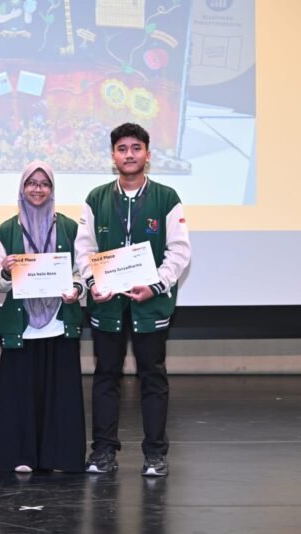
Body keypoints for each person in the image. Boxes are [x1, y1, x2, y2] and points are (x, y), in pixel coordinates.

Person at [74, 122, 191, 476]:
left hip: (148, 305)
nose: (129, 154)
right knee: (106, 376)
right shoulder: (95, 198)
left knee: (152, 377)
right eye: (122, 149)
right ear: (113, 156)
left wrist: (155, 286)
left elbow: (180, 251)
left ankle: (155, 453)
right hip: (107, 304)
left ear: (148, 155)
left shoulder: (166, 198)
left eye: (136, 148)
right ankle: (103, 451)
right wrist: (94, 282)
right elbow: (84, 249)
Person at [0, 160, 86, 473]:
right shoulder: (5, 229)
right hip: (22, 325)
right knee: (20, 394)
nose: (38, 189)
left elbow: (81, 271)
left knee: (61, 395)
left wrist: (76, 288)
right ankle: (21, 455)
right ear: (22, 187)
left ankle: (60, 456)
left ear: (52, 189)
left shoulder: (71, 227)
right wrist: (4, 270)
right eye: (32, 183)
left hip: (59, 322)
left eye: (44, 184)